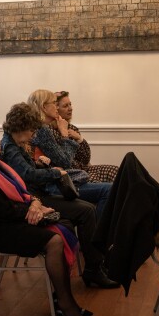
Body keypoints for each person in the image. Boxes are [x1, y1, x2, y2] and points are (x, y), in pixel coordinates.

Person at [0, 117, 96, 316]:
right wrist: (33, 209)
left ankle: (60, 299)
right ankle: (67, 304)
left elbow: (22, 194)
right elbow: (3, 211)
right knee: (54, 241)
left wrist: (35, 203)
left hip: (10, 221)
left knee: (66, 224)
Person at [0, 103, 118, 288]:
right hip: (34, 200)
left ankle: (97, 264)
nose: (33, 135)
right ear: (22, 126)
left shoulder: (13, 143)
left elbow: (27, 172)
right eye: (31, 130)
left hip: (37, 195)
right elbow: (28, 176)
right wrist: (55, 172)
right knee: (86, 211)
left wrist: (39, 164)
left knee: (87, 209)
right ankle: (94, 268)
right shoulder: (10, 148)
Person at [27, 89, 112, 219]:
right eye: (55, 103)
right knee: (109, 190)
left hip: (55, 179)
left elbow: (81, 158)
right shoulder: (43, 130)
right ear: (44, 107)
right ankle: (100, 236)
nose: (57, 107)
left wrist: (77, 138)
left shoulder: (42, 128)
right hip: (51, 186)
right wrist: (65, 134)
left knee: (113, 182)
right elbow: (65, 161)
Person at [55, 90, 118, 182]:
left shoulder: (72, 128)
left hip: (84, 169)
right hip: (71, 173)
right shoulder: (52, 131)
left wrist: (79, 139)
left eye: (70, 104)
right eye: (65, 106)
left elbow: (86, 159)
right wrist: (64, 134)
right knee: (97, 182)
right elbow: (64, 162)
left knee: (116, 171)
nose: (70, 108)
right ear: (56, 109)